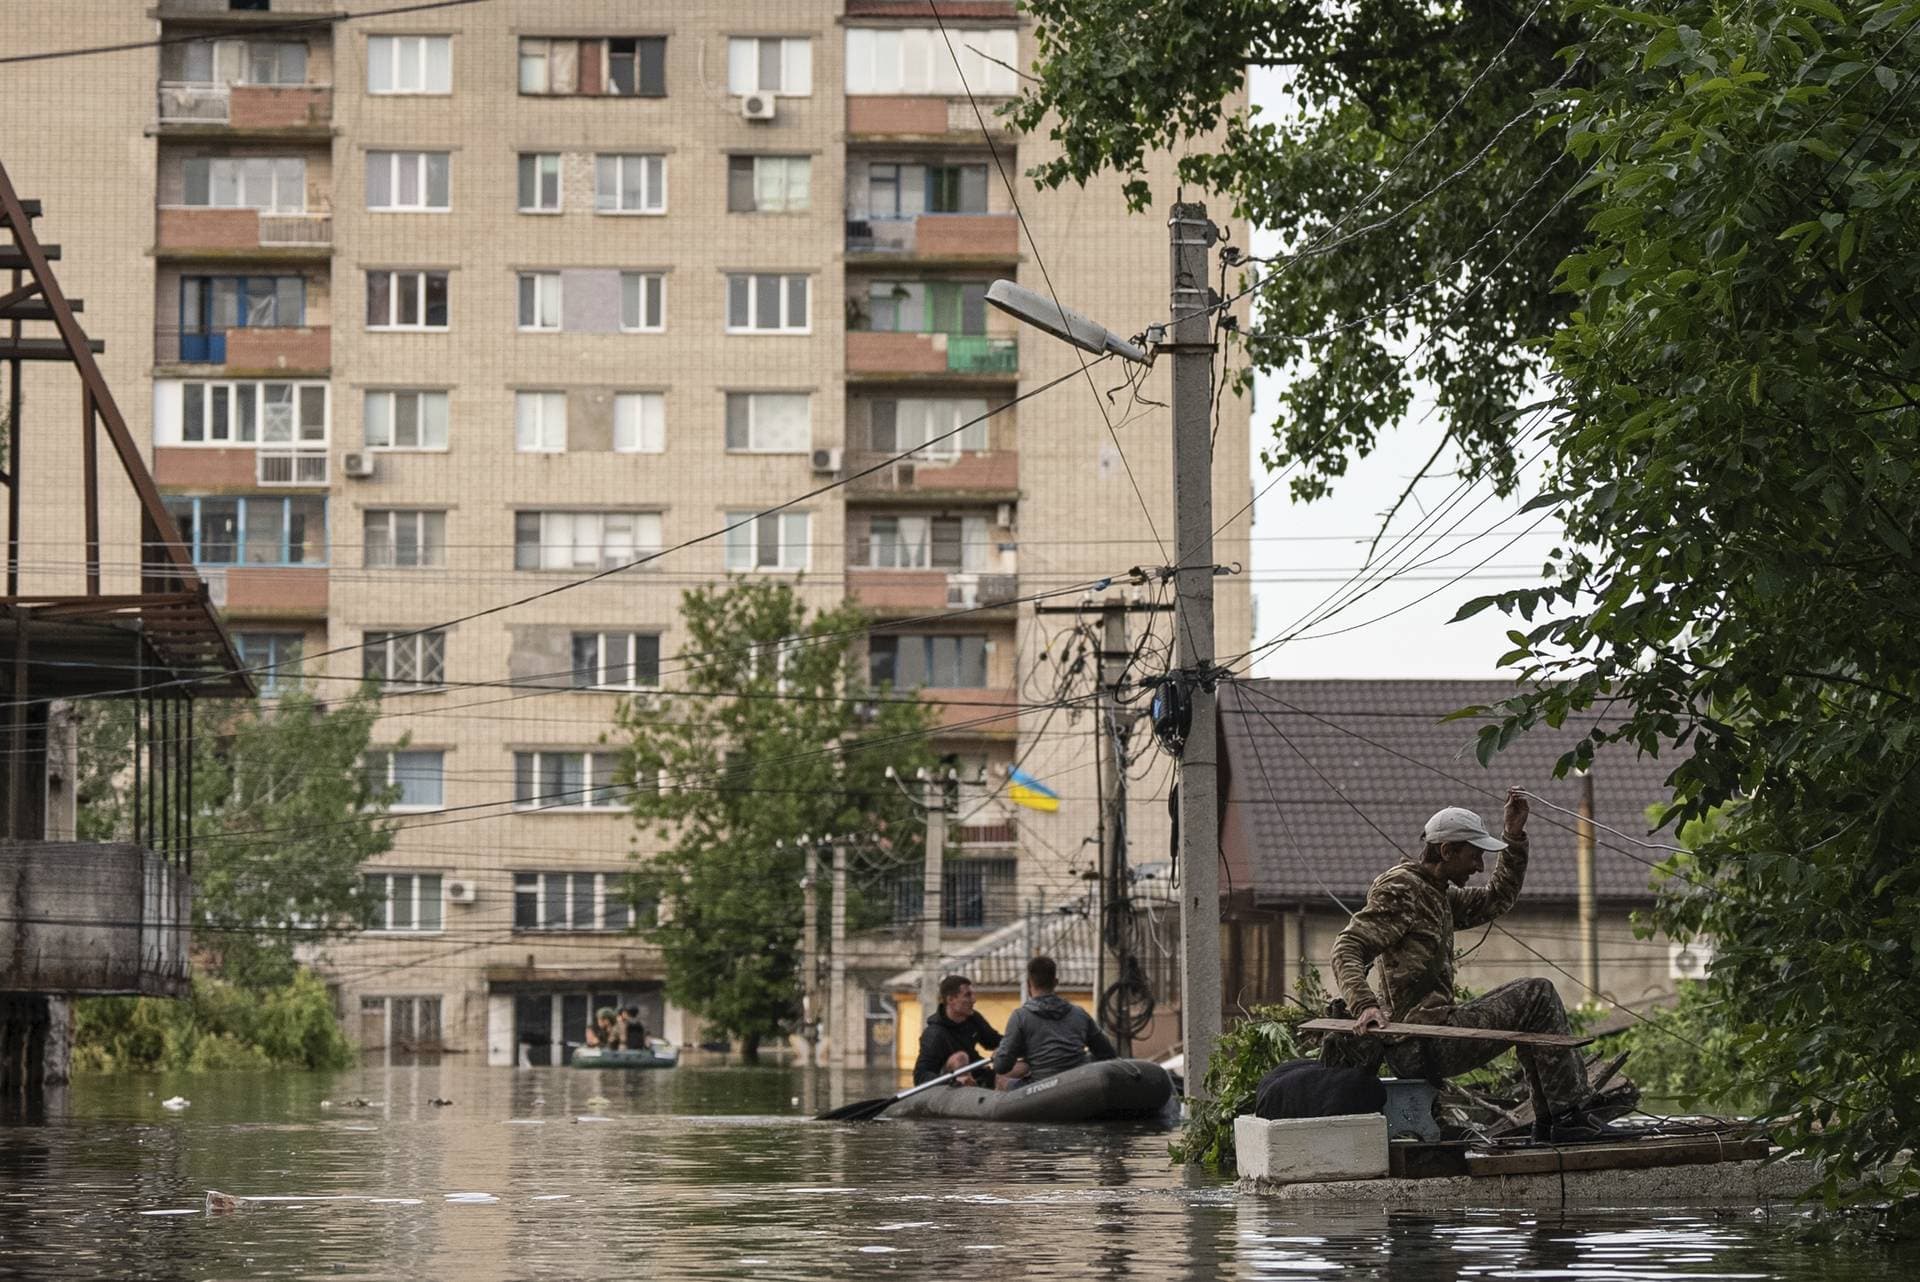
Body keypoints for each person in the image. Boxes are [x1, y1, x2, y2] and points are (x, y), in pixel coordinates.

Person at [1329, 789, 1623, 1142]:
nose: (1479, 866)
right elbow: (1347, 946)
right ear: (1447, 850)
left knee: (1531, 1006)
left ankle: (1552, 1121)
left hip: (1430, 1038)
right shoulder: (1403, 889)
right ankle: (1566, 1117)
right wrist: (1365, 1005)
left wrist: (1513, 835)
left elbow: (1496, 898)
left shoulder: (1436, 892)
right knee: (1537, 995)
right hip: (1422, 1042)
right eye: (1474, 856)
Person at [991, 955, 1117, 1088]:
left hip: (1040, 1090)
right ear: (1055, 982)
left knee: (1001, 1079)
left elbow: (1002, 1066)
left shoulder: (1020, 1017)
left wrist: (998, 1055)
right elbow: (1107, 1053)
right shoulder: (1079, 1013)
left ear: (1029, 984)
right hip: (1079, 1084)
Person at [912, 974, 1001, 1086]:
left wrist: (1005, 1047)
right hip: (951, 1086)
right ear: (950, 1000)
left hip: (978, 1074)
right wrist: (951, 1081)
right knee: (960, 1058)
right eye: (967, 995)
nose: (974, 1000)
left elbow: (994, 1041)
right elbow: (920, 1077)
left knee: (1018, 1067)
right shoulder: (934, 1034)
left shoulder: (973, 1018)